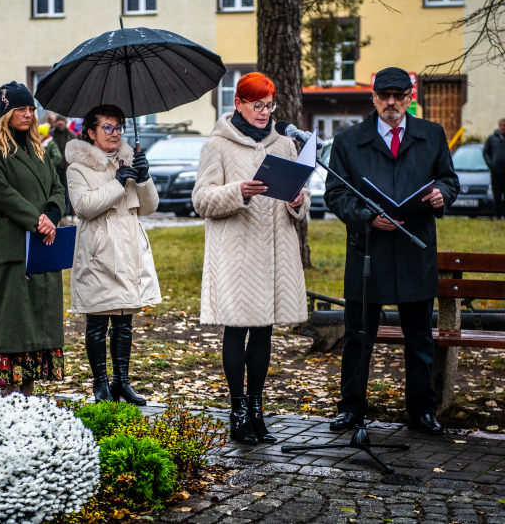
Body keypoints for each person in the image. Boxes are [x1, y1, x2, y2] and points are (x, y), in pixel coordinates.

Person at [325, 67, 460, 435]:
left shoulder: (431, 134)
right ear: (373, 97)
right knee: (358, 337)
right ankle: (351, 409)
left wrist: (441, 195)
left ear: (410, 97)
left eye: (399, 95)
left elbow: (449, 178)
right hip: (370, 252)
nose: (391, 102)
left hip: (416, 251)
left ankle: (422, 410)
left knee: (419, 338)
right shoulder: (349, 141)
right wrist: (367, 217)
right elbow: (335, 194)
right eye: (384, 95)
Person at [191, 72, 310, 445]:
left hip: (275, 254)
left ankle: (258, 411)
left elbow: (300, 203)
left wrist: (297, 202)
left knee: (264, 333)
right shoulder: (218, 145)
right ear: (238, 103)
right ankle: (238, 411)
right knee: (236, 329)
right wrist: (238, 191)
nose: (263, 112)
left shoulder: (285, 145)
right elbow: (201, 200)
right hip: (237, 255)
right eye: (256, 105)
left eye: (269, 105)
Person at [0, 81, 66, 397]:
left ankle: (28, 399)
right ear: (6, 111)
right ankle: (10, 400)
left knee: (37, 325)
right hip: (12, 249)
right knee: (14, 325)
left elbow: (57, 187)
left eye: (32, 109)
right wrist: (36, 219)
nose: (29, 115)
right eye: (22, 109)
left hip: (41, 247)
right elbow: (1, 192)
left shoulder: (37, 148)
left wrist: (52, 216)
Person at [66, 104, 162, 405]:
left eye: (118, 126)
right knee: (98, 322)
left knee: (123, 322)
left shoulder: (128, 161)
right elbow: (84, 206)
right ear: (91, 133)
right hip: (98, 253)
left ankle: (122, 381)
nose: (115, 133)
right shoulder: (77, 168)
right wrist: (118, 181)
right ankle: (100, 384)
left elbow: (149, 207)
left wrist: (143, 178)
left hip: (129, 249)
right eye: (107, 127)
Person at [51, 115, 78, 215]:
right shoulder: (50, 134)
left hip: (67, 169)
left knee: (67, 192)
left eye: (62, 120)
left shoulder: (71, 135)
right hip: (53, 169)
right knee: (54, 191)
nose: (60, 122)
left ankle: (65, 213)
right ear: (55, 122)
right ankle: (56, 211)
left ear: (65, 122)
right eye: (58, 120)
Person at [483, 118, 505, 219]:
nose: (503, 127)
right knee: (497, 195)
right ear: (499, 126)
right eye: (501, 125)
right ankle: (498, 216)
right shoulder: (492, 138)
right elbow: (486, 152)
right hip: (496, 172)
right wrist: (490, 164)